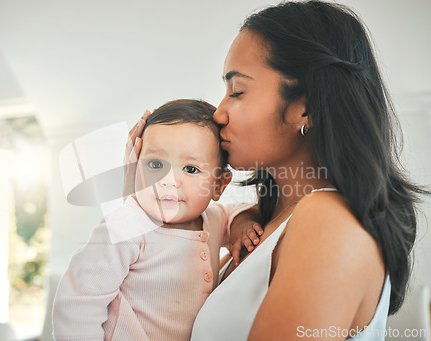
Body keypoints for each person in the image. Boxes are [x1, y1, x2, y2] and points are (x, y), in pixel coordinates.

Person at [128, 1, 428, 340]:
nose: (219, 113)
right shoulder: (261, 221)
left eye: (237, 91)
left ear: (306, 107)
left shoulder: (329, 220)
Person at [52, 99, 254, 341]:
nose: (168, 180)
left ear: (219, 185)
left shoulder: (212, 219)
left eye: (190, 169)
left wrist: (242, 223)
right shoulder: (125, 228)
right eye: (155, 164)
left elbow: (237, 211)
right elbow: (77, 305)